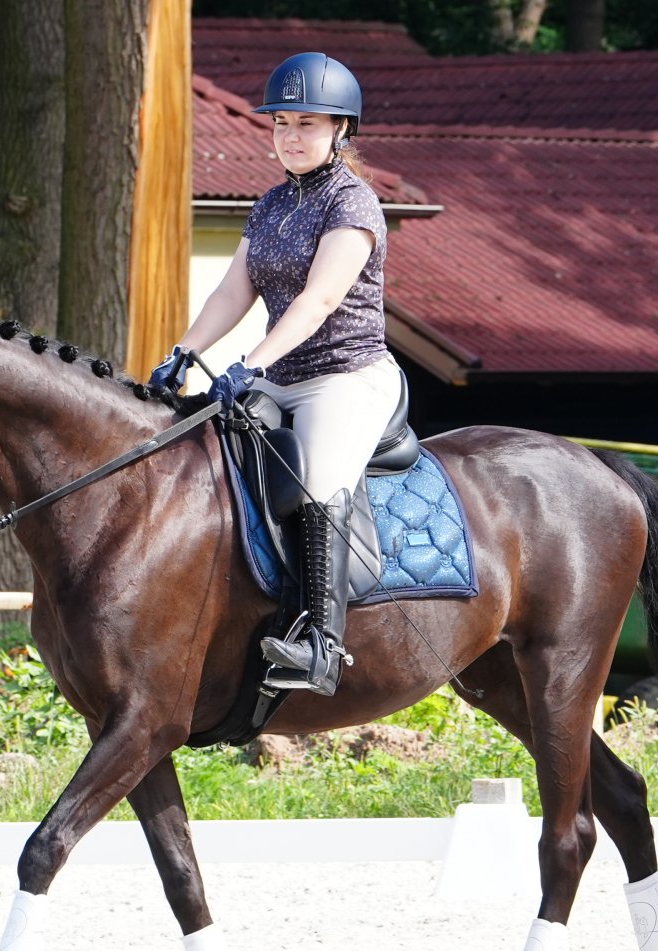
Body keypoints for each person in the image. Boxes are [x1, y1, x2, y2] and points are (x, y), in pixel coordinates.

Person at [150, 52, 399, 698]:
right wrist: (186, 352)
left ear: (342, 130)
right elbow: (234, 294)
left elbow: (318, 302)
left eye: (306, 124)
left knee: (316, 482)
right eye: (281, 123)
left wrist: (248, 364)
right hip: (277, 374)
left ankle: (321, 646)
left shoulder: (355, 205)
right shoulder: (270, 205)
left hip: (345, 377)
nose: (290, 135)